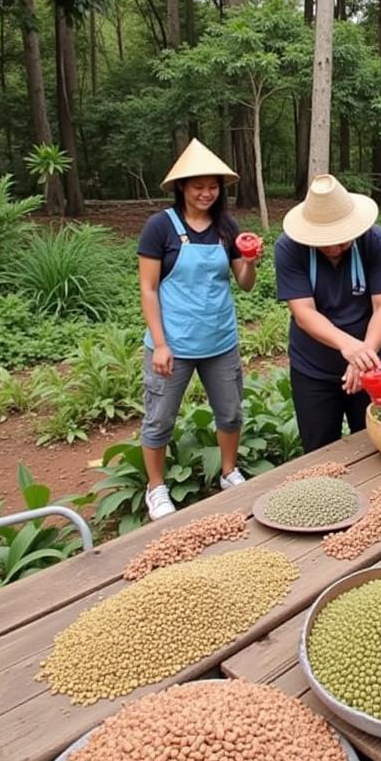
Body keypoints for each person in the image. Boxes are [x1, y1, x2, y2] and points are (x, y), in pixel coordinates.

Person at [137, 139, 262, 521]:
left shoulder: (227, 227)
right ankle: (156, 488)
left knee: (230, 413)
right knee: (160, 417)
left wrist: (252, 260)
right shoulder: (160, 227)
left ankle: (228, 472)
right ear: (181, 188)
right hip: (172, 344)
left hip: (220, 341)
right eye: (198, 186)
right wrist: (159, 343)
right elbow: (149, 288)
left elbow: (244, 283)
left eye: (213, 186)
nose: (207, 193)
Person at [275, 174, 381, 453]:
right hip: (313, 369)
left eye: (342, 239)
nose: (334, 247)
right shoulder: (289, 248)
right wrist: (350, 347)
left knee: (378, 446)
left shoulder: (376, 242)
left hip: (373, 368)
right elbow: (303, 313)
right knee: (320, 452)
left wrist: (364, 356)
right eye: (325, 240)